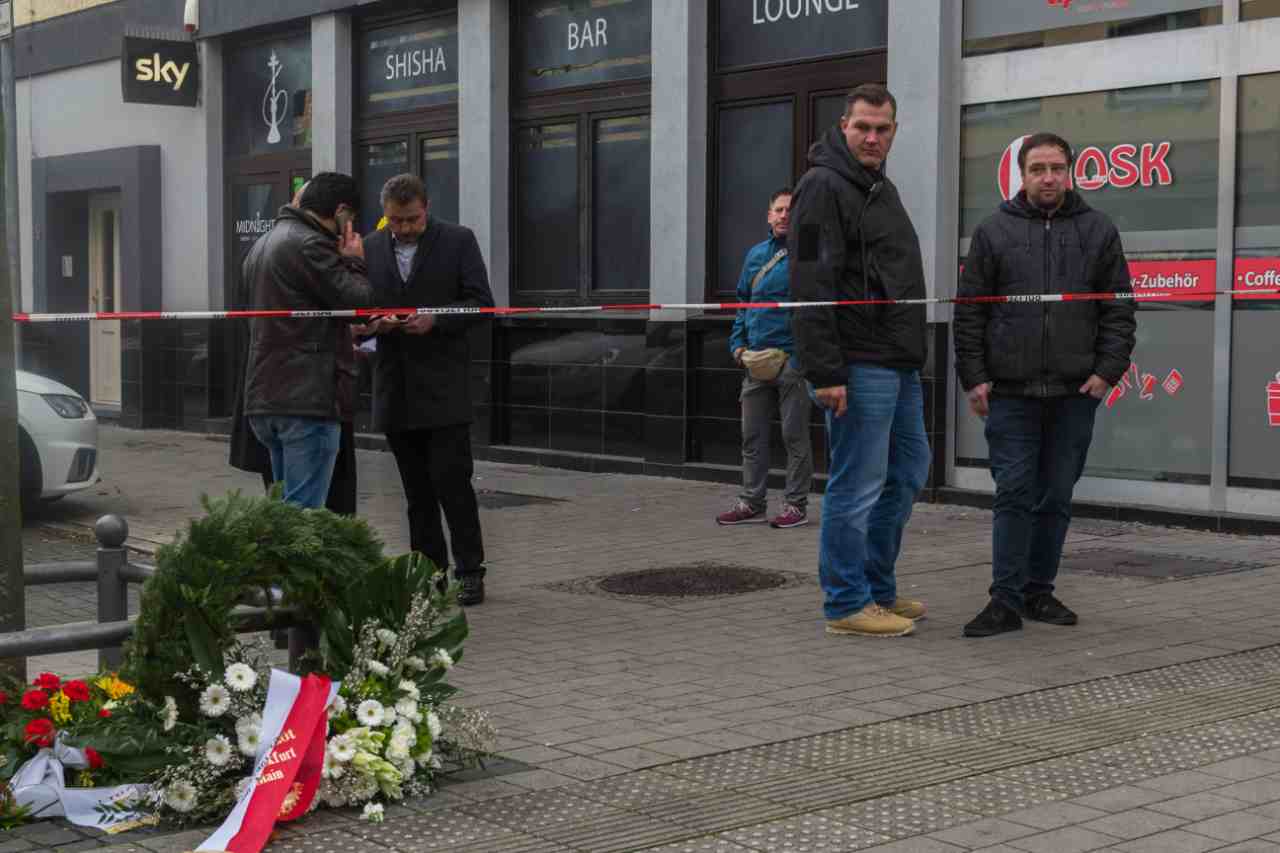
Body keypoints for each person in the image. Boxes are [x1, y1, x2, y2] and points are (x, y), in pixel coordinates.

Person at [956, 132, 1136, 638]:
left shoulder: (1098, 230)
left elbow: (1119, 308)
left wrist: (1107, 372)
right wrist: (975, 378)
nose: (1048, 177)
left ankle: (1039, 590)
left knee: (1055, 495)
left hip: (1074, 392)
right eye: (1038, 169)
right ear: (1023, 173)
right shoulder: (993, 231)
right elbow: (969, 315)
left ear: (1071, 171)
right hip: (1011, 393)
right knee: (1014, 493)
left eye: (1057, 168)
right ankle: (1004, 601)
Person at [788, 83, 931, 638]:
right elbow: (807, 280)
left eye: (884, 129)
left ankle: (877, 589)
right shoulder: (821, 186)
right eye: (863, 127)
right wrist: (825, 370)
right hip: (858, 360)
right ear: (843, 127)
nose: (874, 137)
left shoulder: (879, 187)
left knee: (908, 473)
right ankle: (846, 603)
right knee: (858, 485)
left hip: (899, 358)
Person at [358, 174, 494, 606]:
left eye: (412, 220)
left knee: (453, 485)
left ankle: (470, 571)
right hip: (395, 388)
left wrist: (435, 318)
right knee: (416, 493)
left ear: (426, 208)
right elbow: (359, 312)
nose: (404, 229)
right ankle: (429, 573)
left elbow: (481, 303)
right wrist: (373, 325)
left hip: (444, 388)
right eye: (395, 221)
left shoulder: (458, 240)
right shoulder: (370, 246)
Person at [242, 172, 374, 509]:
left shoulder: (265, 243)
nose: (352, 225)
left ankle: (278, 564)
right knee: (304, 520)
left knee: (286, 515)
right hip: (305, 398)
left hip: (268, 396)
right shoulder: (309, 244)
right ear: (342, 210)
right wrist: (354, 260)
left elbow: (294, 313)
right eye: (352, 218)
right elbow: (359, 303)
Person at [716, 188, 814, 529]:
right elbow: (743, 303)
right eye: (779, 209)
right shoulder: (755, 255)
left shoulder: (809, 253)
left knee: (794, 437)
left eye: (791, 209)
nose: (784, 215)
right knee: (752, 438)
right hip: (754, 361)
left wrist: (799, 357)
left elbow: (817, 305)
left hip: (792, 361)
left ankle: (796, 505)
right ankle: (752, 502)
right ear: (769, 215)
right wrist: (737, 346)